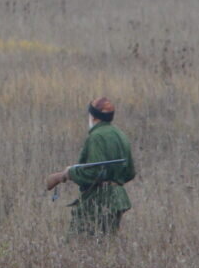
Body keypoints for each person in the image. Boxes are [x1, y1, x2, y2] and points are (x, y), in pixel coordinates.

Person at [45, 97, 137, 234]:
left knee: (77, 244)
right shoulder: (121, 135)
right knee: (106, 246)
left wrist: (69, 173)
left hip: (97, 201)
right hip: (118, 201)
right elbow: (130, 172)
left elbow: (93, 173)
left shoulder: (96, 137)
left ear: (94, 117)